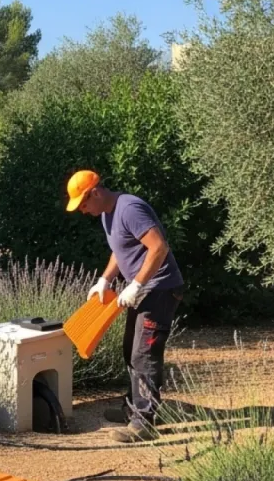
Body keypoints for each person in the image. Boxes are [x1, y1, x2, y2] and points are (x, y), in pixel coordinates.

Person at [66, 169, 185, 443]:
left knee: (144, 354)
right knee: (130, 350)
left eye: (84, 204)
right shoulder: (108, 214)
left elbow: (159, 247)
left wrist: (137, 284)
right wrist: (105, 279)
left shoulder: (129, 208)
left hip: (161, 290)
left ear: (95, 192)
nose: (83, 211)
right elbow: (120, 250)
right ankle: (134, 408)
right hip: (147, 290)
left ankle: (143, 422)